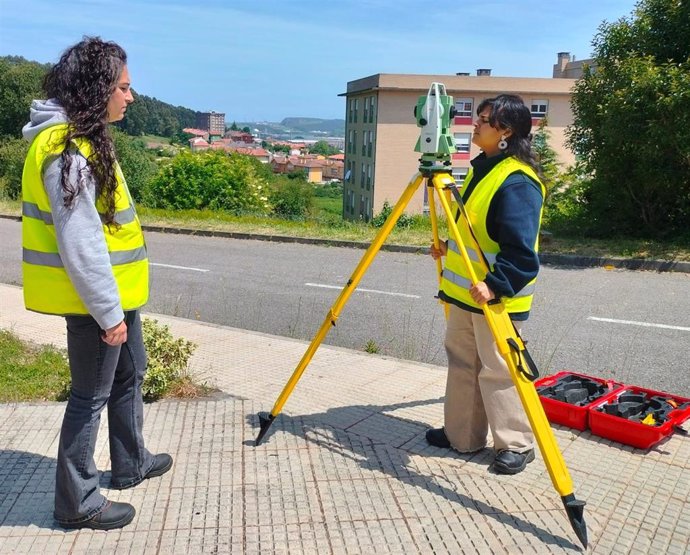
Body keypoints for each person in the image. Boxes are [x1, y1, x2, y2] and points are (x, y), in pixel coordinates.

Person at [21, 37, 172, 530]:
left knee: (130, 373)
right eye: (123, 87)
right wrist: (109, 315)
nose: (131, 97)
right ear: (97, 89)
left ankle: (130, 464)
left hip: (115, 297)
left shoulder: (84, 141)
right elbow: (80, 246)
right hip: (93, 304)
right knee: (90, 396)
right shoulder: (66, 152)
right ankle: (76, 502)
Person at [426, 94, 545, 475]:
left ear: (506, 131)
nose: (474, 125)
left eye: (485, 120)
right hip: (465, 294)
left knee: (498, 370)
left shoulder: (517, 182)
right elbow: (477, 233)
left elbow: (522, 254)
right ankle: (462, 435)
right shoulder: (484, 168)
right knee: (463, 363)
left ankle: (516, 444)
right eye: (477, 117)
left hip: (497, 299)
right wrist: (449, 247)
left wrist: (496, 284)